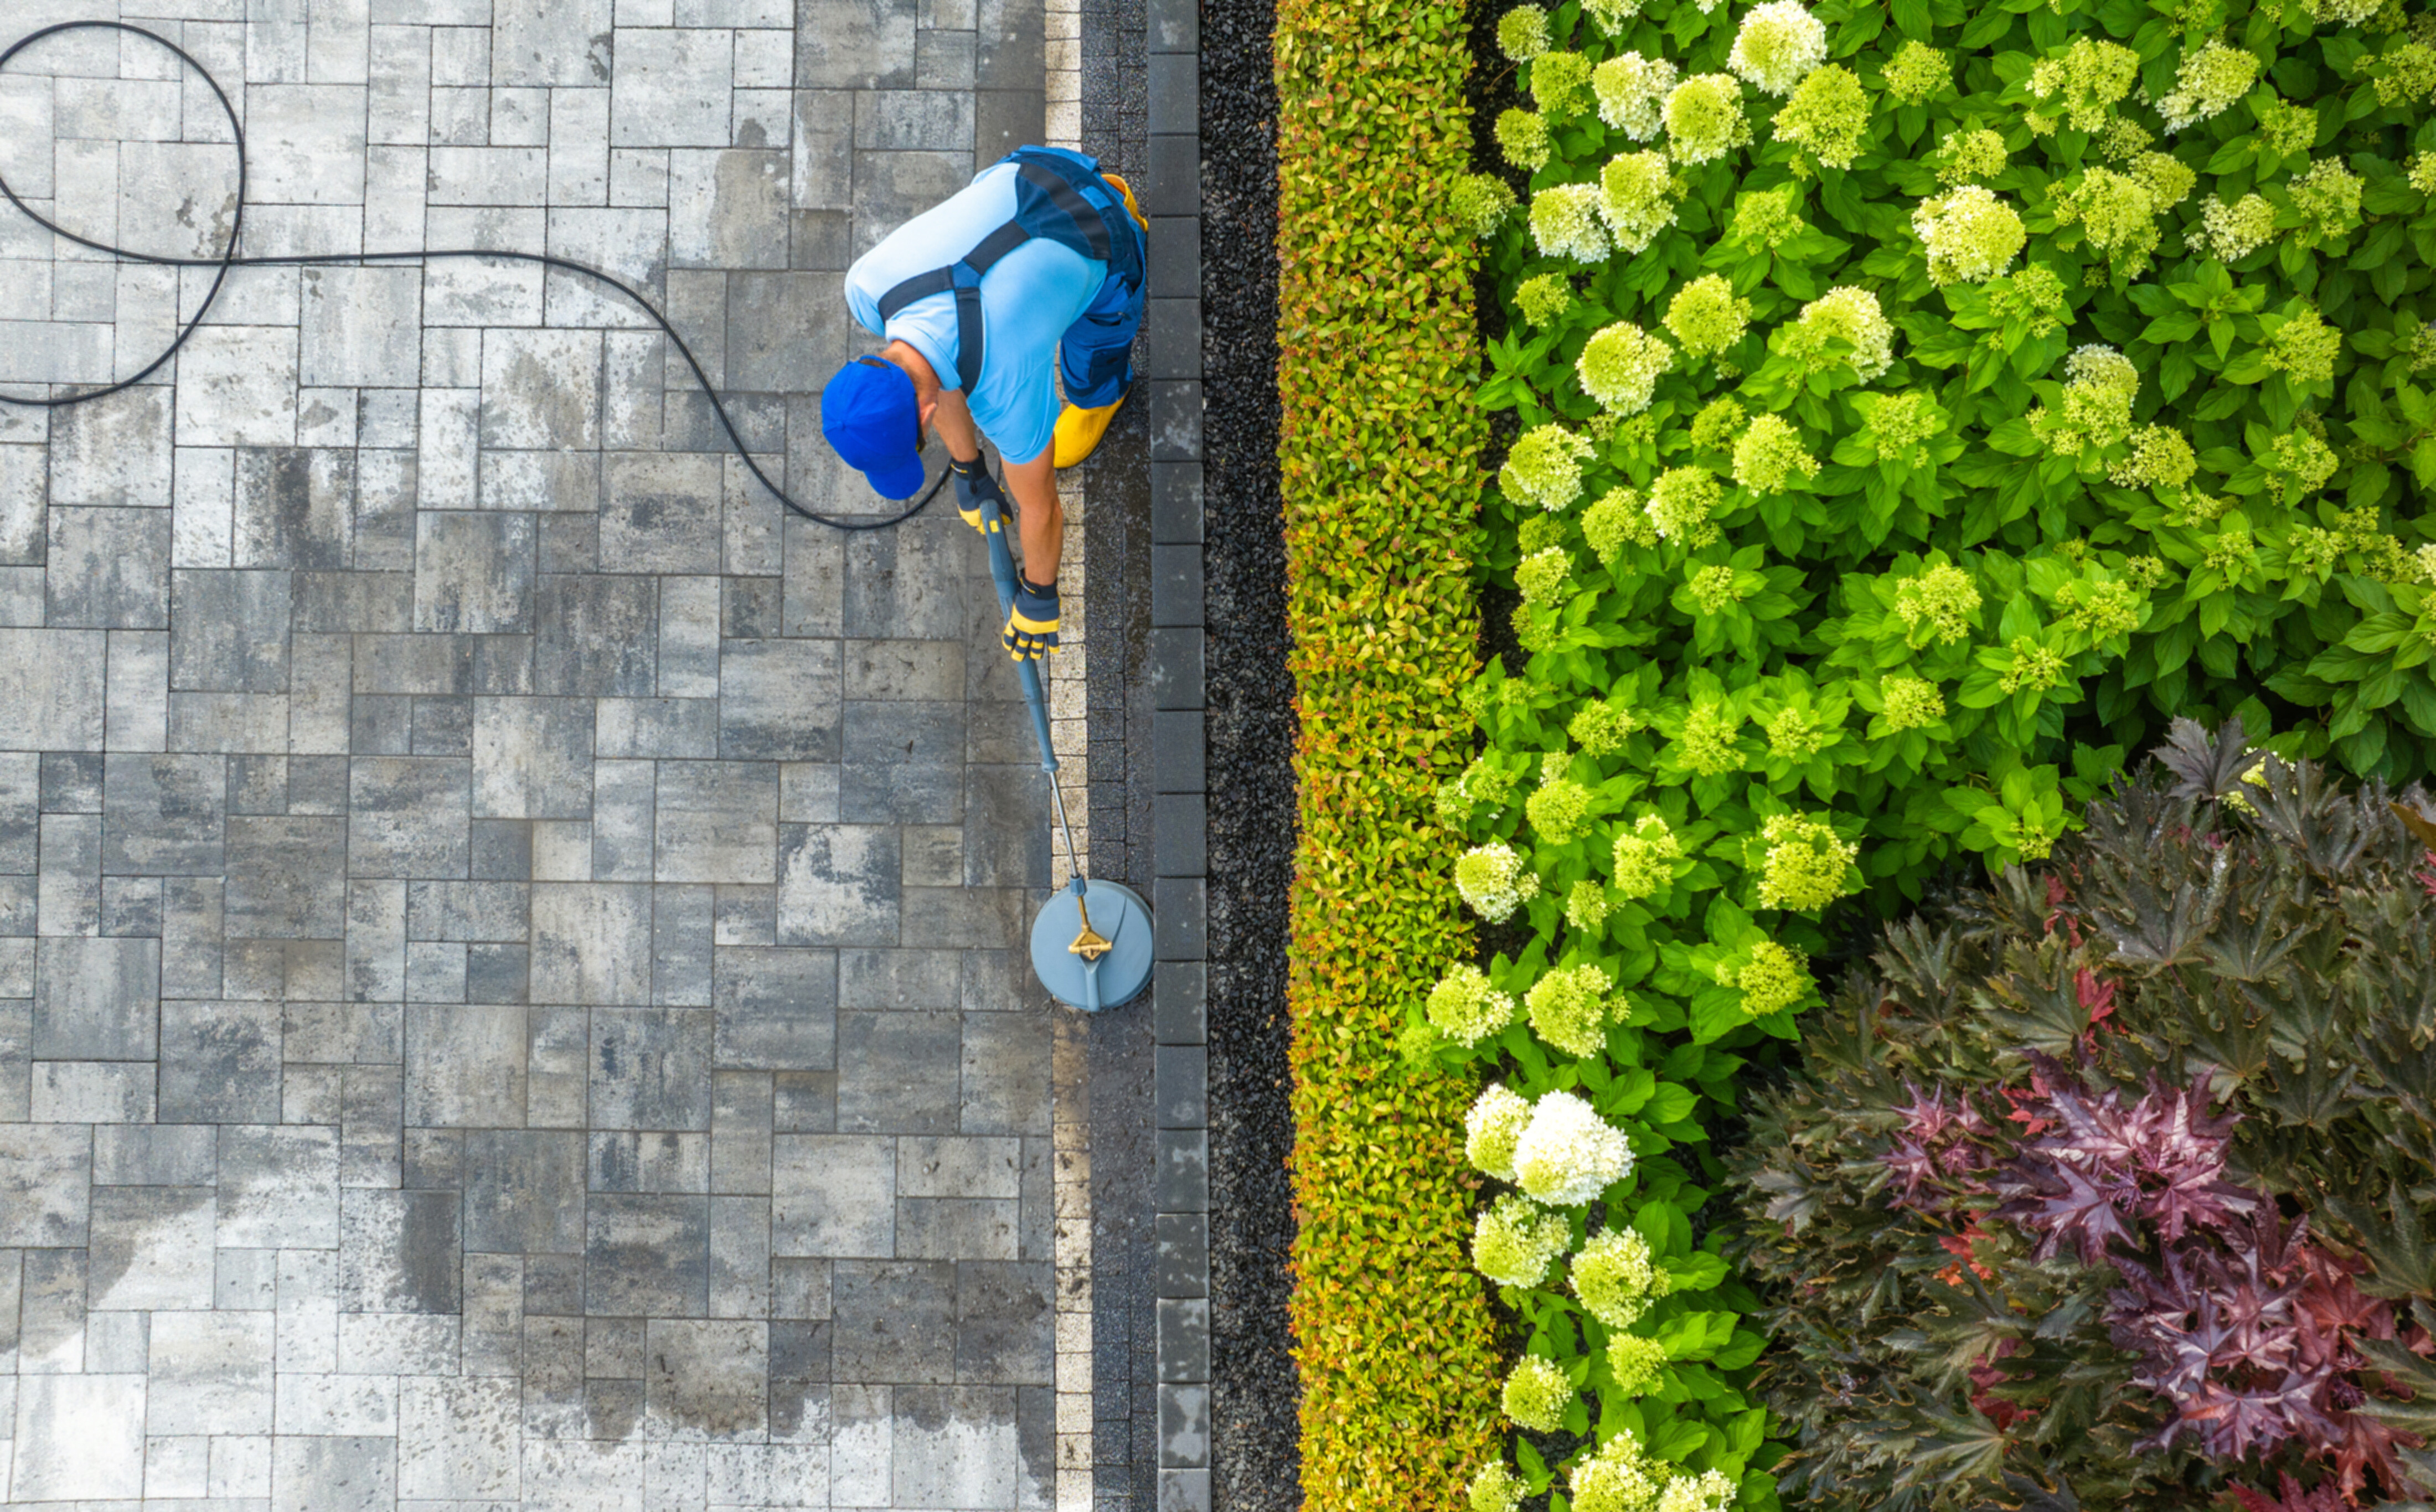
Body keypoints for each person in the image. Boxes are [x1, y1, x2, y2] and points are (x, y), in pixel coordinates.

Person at [818, 147, 1148, 662]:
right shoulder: (868, 287)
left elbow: (1041, 510)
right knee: (959, 345)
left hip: (1105, 239)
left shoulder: (1005, 390)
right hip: (1029, 167)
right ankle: (1098, 182)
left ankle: (1123, 221)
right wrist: (968, 467)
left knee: (1091, 374)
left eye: (919, 443)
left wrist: (1039, 595)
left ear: (925, 419)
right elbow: (932, 370)